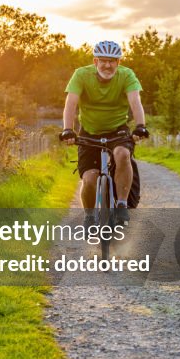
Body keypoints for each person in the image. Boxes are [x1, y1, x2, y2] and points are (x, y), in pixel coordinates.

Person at [58, 40, 149, 226]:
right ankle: (90, 216)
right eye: (103, 60)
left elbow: (135, 102)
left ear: (118, 63)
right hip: (89, 132)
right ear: (95, 61)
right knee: (90, 178)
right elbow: (71, 104)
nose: (107, 65)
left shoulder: (127, 75)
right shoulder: (81, 75)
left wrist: (140, 126)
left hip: (118, 130)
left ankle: (122, 205)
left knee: (122, 154)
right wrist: (68, 129)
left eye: (112, 61)